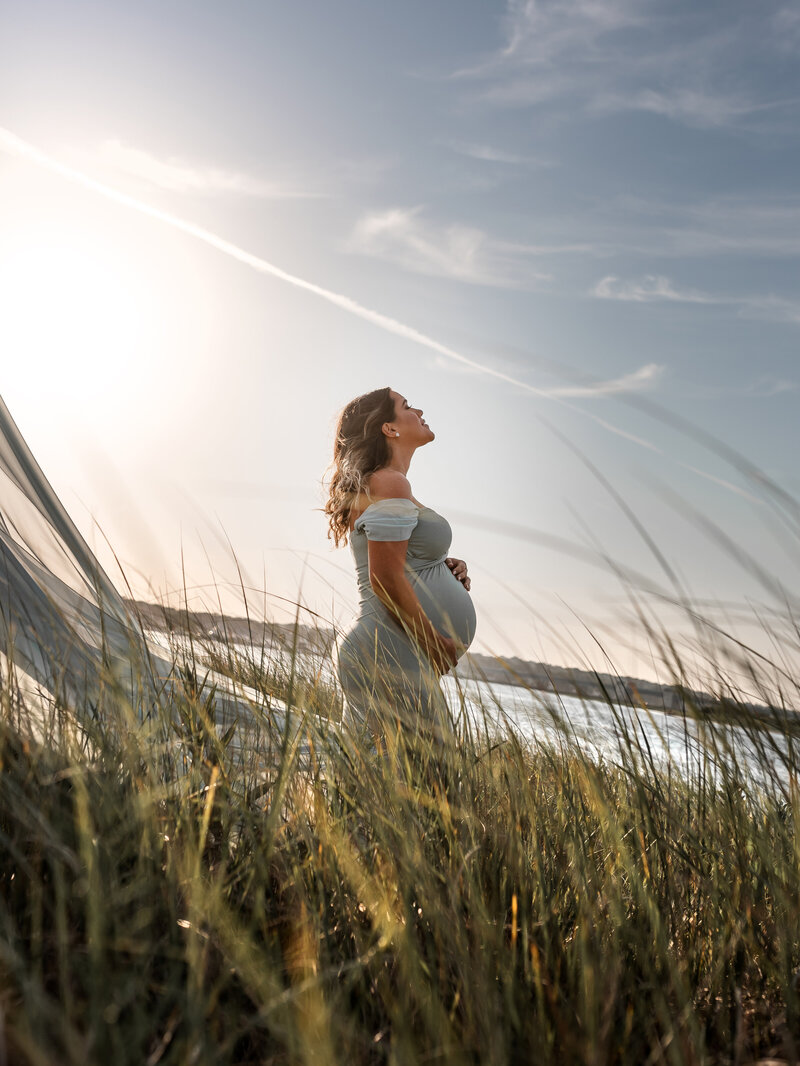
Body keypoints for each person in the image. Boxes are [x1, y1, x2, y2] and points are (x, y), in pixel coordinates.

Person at [325, 387, 476, 749]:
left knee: (374, 779)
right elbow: (385, 577)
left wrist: (441, 564)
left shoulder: (389, 484)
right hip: (391, 649)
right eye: (407, 406)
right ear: (389, 429)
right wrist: (434, 643)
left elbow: (398, 562)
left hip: (389, 650)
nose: (419, 409)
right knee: (435, 775)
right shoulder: (390, 482)